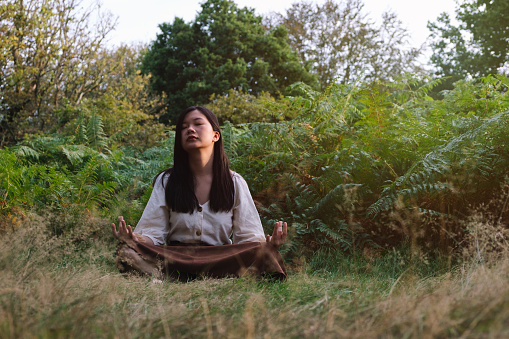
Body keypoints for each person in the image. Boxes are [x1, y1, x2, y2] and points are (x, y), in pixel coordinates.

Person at [111, 106, 287, 281]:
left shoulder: (234, 182)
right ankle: (180, 279)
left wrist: (268, 246)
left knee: (265, 254)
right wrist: (135, 239)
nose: (190, 129)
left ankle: (169, 280)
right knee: (125, 252)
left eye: (197, 124)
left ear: (215, 135)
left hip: (221, 259)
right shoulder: (167, 181)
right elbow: (153, 234)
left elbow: (249, 238)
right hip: (176, 258)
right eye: (184, 127)